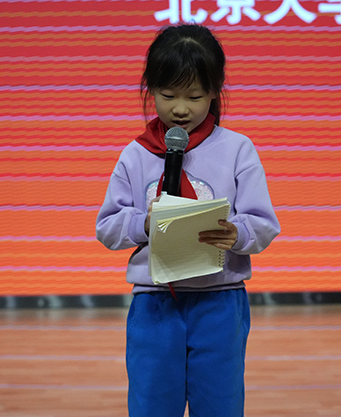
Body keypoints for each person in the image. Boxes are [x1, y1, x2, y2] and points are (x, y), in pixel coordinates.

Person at [96, 24, 280, 417]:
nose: (181, 109)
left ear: (215, 91)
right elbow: (108, 226)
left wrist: (237, 233)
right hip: (155, 304)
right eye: (168, 95)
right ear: (150, 90)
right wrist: (144, 224)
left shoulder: (237, 150)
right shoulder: (136, 154)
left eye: (194, 96)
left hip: (219, 302)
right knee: (151, 406)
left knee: (220, 406)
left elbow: (264, 224)